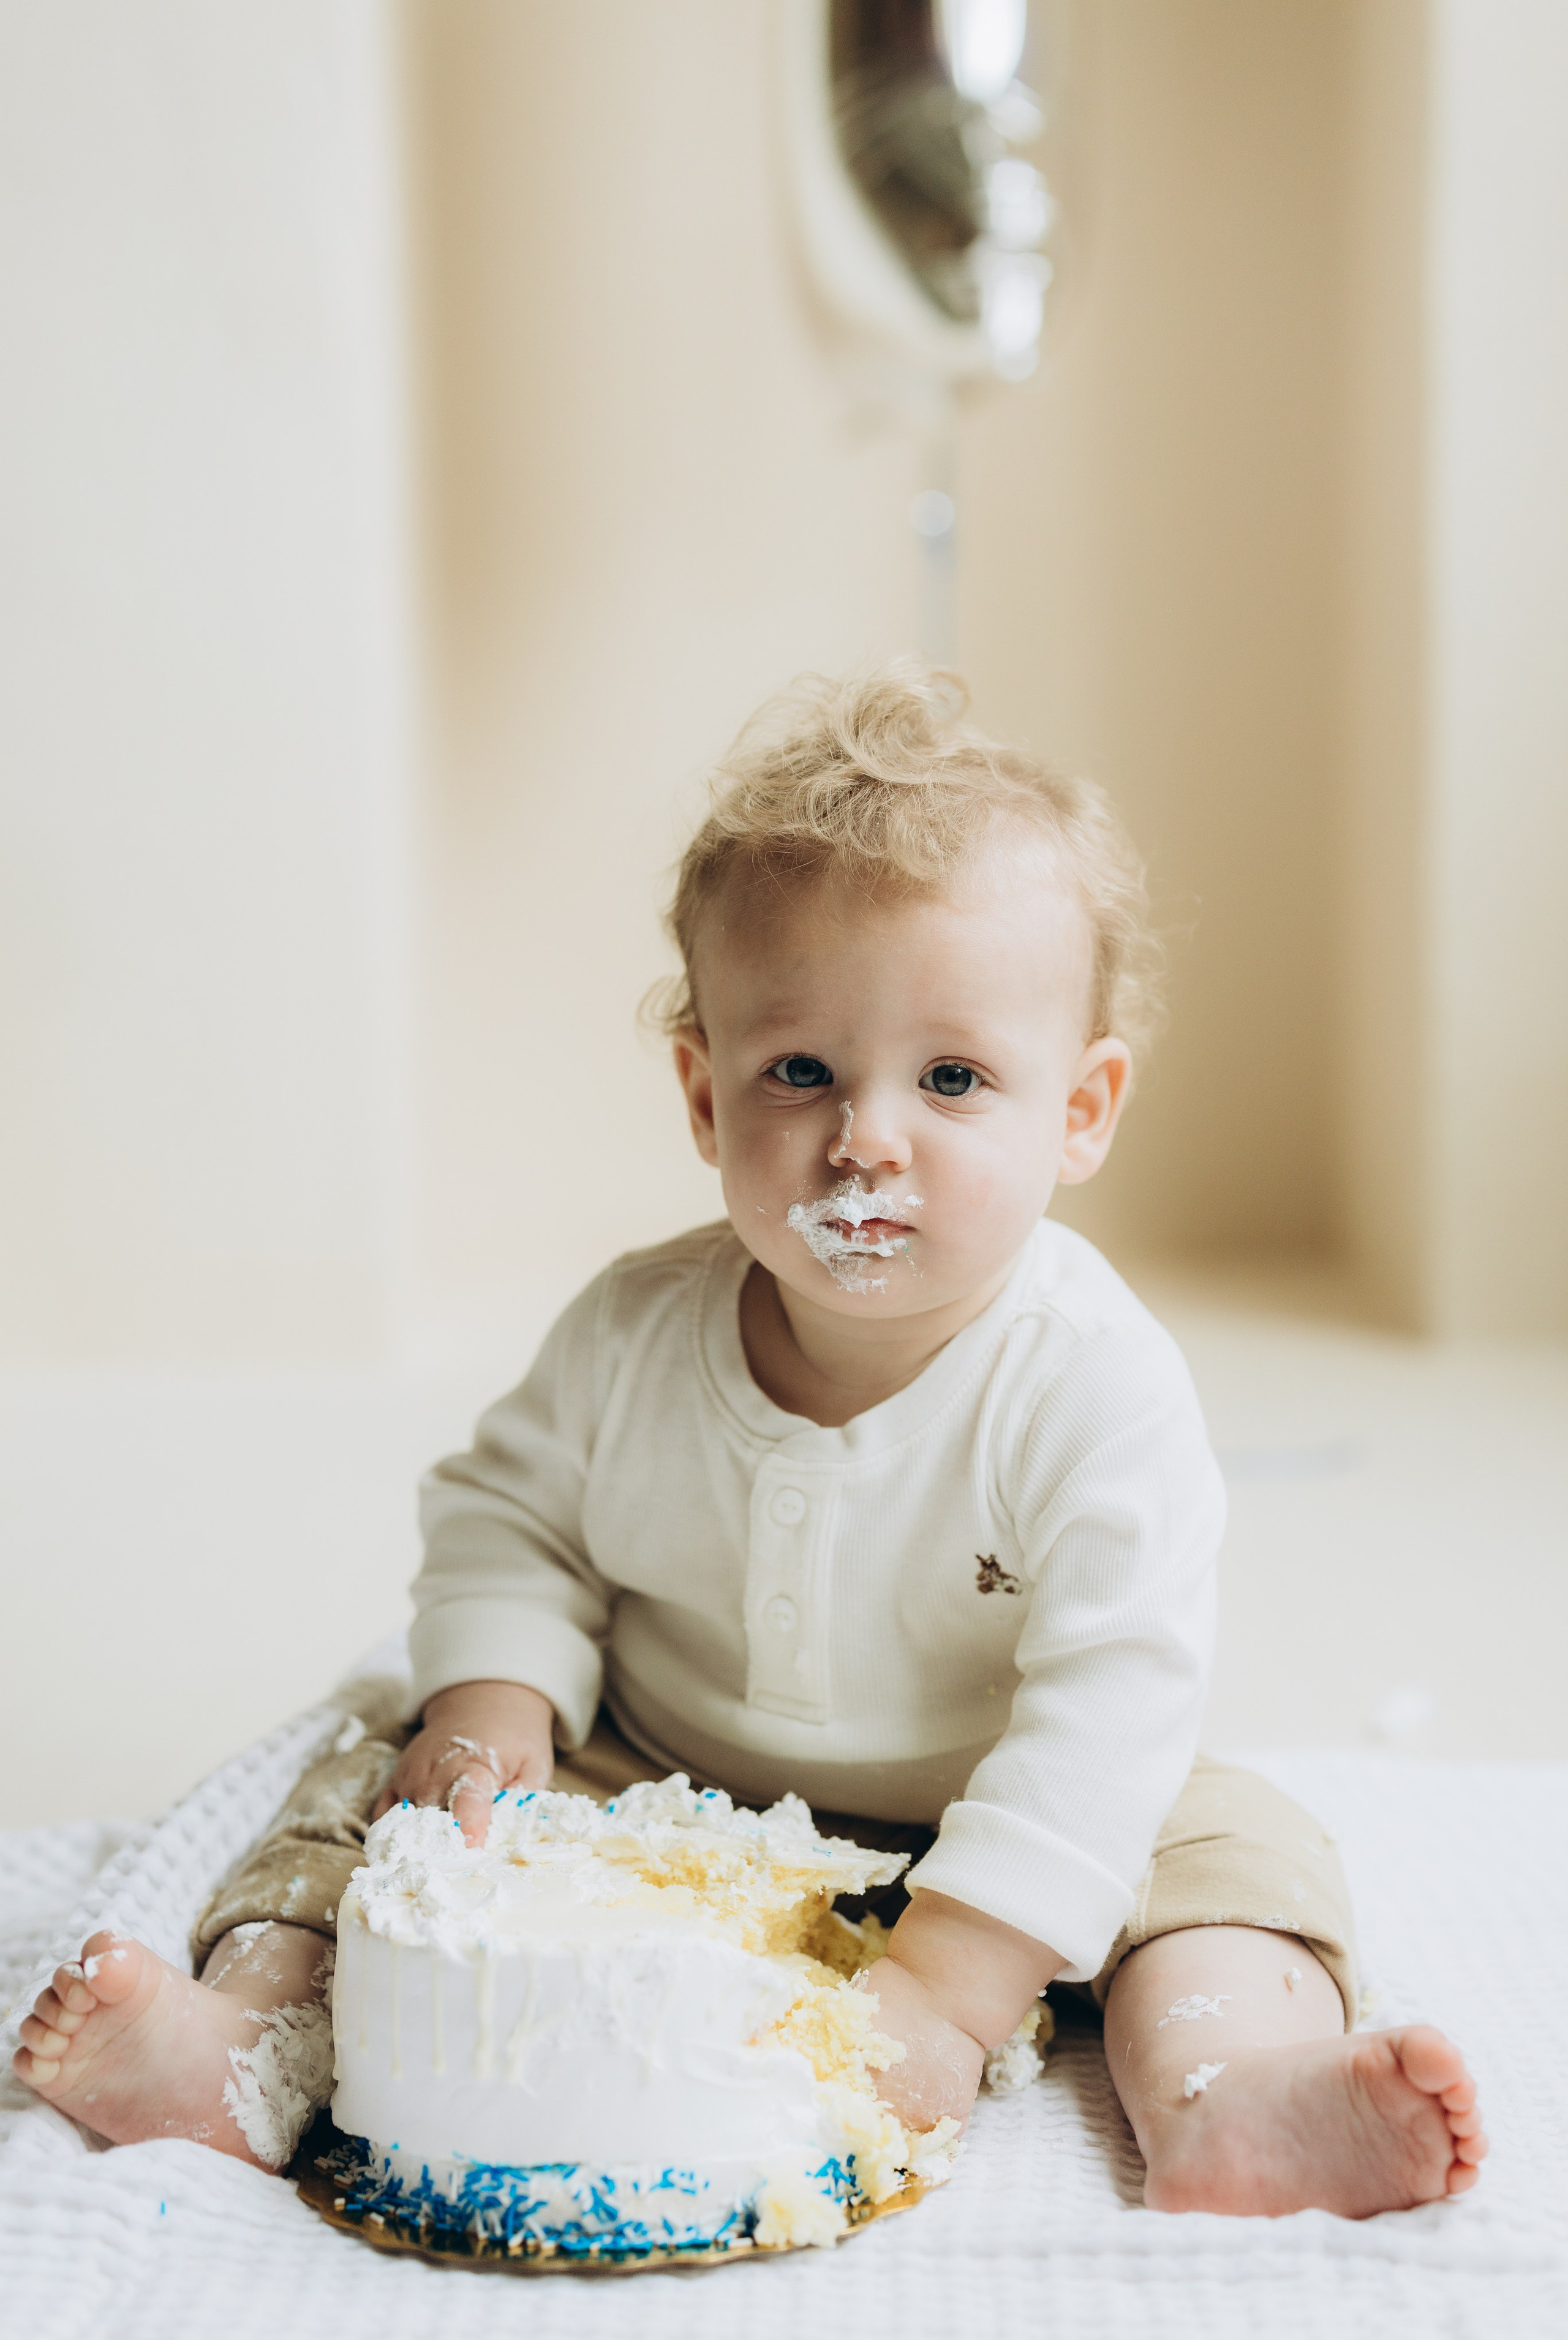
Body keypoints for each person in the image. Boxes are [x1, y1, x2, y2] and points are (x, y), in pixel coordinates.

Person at [14, 665, 1485, 2217]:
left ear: (1082, 1108)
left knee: (1225, 1849)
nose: (864, 1138)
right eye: (800, 1072)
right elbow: (512, 1522)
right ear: (704, 1096)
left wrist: (949, 1983)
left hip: (997, 1800)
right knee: (378, 1777)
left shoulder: (1093, 1390)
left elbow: (1108, 1706)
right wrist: (494, 1714)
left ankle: (1227, 2096)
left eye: (951, 1078)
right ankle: (250, 2047)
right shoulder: (632, 1332)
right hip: (653, 1782)